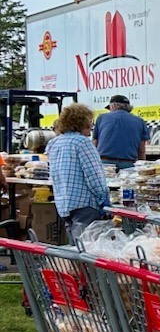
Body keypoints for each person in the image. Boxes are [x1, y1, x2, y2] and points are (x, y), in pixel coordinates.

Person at [49, 103, 111, 244]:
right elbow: (94, 176)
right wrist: (104, 199)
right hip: (85, 204)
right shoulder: (82, 143)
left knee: (75, 248)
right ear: (82, 122)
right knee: (88, 249)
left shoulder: (54, 144)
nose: (92, 125)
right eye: (90, 122)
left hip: (64, 203)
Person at [92, 94, 149, 169]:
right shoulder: (140, 121)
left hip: (105, 162)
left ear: (113, 106)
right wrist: (141, 168)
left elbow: (94, 144)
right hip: (128, 163)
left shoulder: (101, 118)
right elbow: (141, 150)